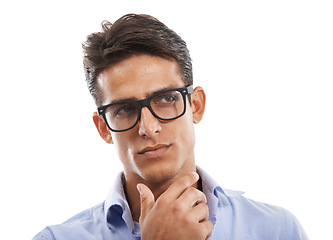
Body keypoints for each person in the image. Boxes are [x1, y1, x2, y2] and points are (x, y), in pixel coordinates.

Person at [33, 13, 308, 240]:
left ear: (196, 105)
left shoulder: (278, 230)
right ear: (103, 127)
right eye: (124, 109)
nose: (148, 128)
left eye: (165, 99)